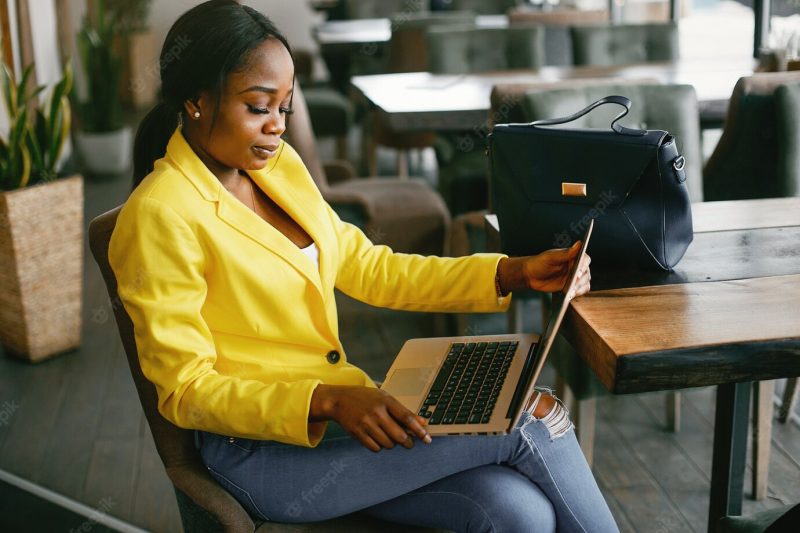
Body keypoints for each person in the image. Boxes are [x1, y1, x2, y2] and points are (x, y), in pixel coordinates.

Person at [109, 1, 618, 531]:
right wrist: (327, 399)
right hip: (262, 455)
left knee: (519, 514)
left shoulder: (276, 168)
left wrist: (509, 273)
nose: (277, 127)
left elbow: (371, 267)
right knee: (531, 418)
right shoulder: (160, 215)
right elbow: (186, 390)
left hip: (341, 423)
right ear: (195, 101)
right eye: (259, 107)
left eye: (284, 108)